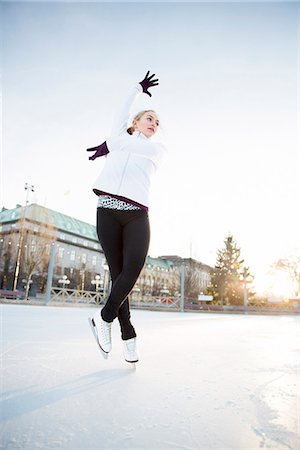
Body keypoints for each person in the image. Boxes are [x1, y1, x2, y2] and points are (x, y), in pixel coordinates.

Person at [87, 71, 167, 363]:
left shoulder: (157, 148)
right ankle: (128, 334)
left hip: (136, 214)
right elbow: (120, 117)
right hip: (107, 210)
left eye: (157, 122)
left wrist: (110, 143)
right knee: (118, 274)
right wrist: (136, 89)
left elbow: (120, 142)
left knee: (131, 271)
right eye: (150, 119)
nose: (154, 124)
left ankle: (104, 317)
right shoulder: (121, 135)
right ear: (135, 122)